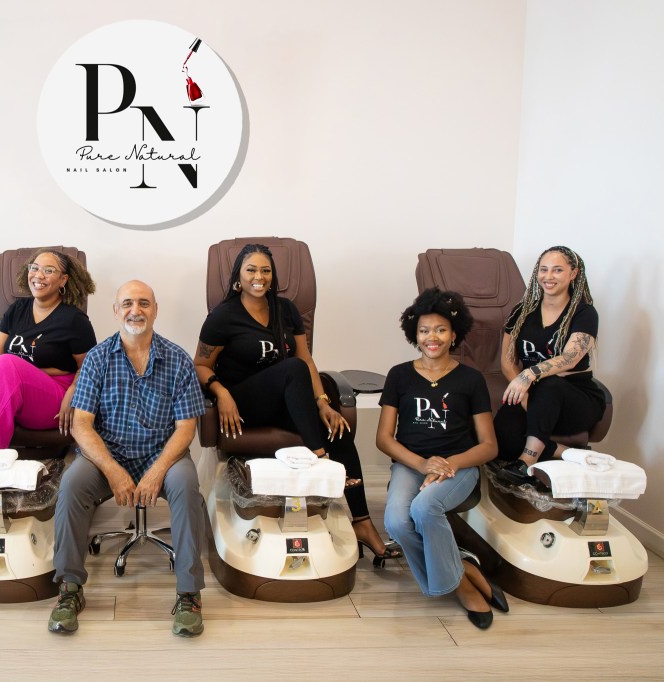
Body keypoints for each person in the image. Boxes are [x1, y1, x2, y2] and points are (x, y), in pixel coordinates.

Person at [194, 243, 401, 566]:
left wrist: (323, 404)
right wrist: (221, 393)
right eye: (251, 270)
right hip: (243, 405)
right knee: (291, 370)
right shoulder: (223, 316)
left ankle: (362, 523)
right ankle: (321, 460)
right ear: (238, 277)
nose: (259, 276)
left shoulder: (286, 310)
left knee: (336, 429)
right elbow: (200, 364)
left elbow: (306, 359)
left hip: (284, 399)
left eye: (265, 270)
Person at [49, 281, 207, 637]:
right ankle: (70, 589)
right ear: (116, 310)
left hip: (163, 453)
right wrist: (112, 470)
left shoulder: (178, 359)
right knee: (71, 485)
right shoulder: (97, 358)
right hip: (108, 454)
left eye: (144, 303)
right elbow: (81, 425)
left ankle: (189, 594)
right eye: (128, 303)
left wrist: (156, 471)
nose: (136, 310)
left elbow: (186, 428)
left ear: (156, 309)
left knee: (186, 485)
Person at [377, 288, 506, 630]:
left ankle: (462, 588)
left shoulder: (471, 379)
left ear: (454, 334)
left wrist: (451, 464)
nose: (431, 337)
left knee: (423, 509)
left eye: (440, 330)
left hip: (458, 466)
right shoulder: (399, 375)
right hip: (411, 464)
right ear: (414, 334)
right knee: (396, 523)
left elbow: (489, 445)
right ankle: (463, 574)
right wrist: (421, 464)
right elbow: (384, 438)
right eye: (424, 330)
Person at [0, 249, 97, 468]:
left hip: (53, 397)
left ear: (63, 280)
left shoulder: (74, 320)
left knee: (7, 363)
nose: (39, 275)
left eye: (49, 270)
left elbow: (90, 367)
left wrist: (73, 393)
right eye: (34, 268)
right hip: (7, 387)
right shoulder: (17, 309)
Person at [493, 246, 604, 486]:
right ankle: (567, 452)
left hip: (574, 399)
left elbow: (571, 357)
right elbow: (507, 360)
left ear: (573, 274)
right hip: (533, 397)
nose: (548, 276)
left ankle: (526, 462)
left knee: (550, 384)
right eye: (543, 269)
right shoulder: (522, 311)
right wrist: (524, 395)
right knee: (502, 438)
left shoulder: (584, 312)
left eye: (557, 270)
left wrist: (530, 374)